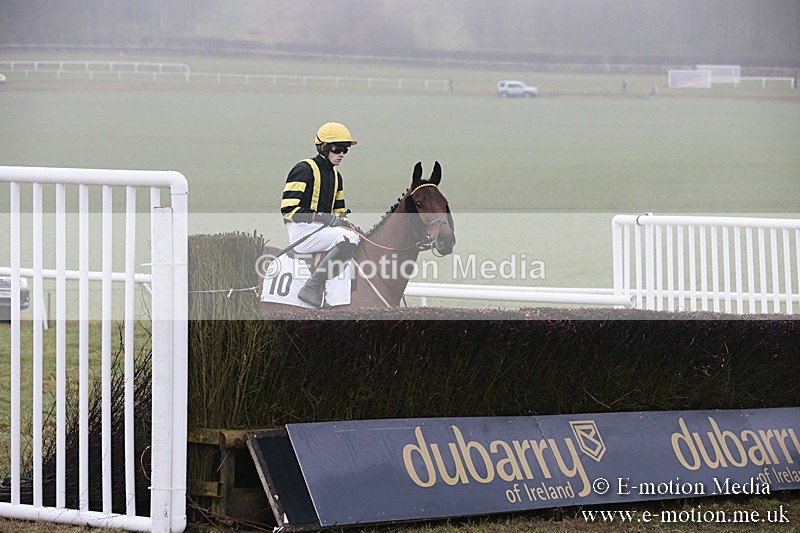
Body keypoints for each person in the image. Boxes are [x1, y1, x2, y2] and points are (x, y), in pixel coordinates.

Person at [280, 122, 361, 307]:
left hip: (324, 231)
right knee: (348, 239)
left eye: (345, 150)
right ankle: (311, 287)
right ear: (323, 147)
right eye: (337, 149)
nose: (342, 154)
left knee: (353, 235)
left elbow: (339, 212)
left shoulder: (336, 176)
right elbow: (288, 210)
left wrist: (347, 223)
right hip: (302, 231)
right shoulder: (304, 169)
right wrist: (323, 217)